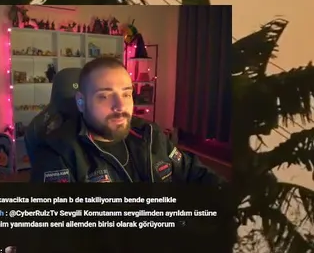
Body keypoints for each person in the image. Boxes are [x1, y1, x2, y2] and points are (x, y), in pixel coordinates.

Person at [29, 57, 223, 185]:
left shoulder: (150, 134)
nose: (120, 106)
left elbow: (193, 172)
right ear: (81, 102)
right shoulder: (58, 153)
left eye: (126, 94)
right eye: (104, 96)